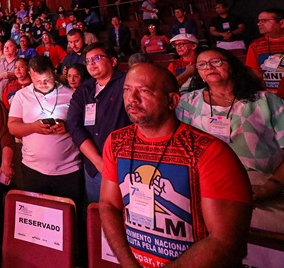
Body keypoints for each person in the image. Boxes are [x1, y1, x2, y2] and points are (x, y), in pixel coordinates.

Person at [100, 63, 252, 268]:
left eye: (144, 91)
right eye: (127, 90)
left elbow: (226, 242)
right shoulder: (116, 142)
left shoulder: (209, 152)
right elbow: (108, 205)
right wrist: (129, 264)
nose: (132, 99)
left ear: (172, 100)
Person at [177, 48, 284, 232]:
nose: (209, 67)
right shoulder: (188, 102)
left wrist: (270, 187)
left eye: (216, 62)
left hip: (260, 183)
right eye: (202, 65)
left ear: (232, 66)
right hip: (207, 187)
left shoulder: (265, 101)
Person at [8, 56, 83, 205]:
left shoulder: (71, 95)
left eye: (47, 80)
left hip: (68, 170)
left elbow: (84, 127)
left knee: (68, 216)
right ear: (30, 74)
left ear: (54, 73)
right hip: (33, 169)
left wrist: (67, 127)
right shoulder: (21, 96)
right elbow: (12, 127)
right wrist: (33, 127)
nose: (43, 84)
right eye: (38, 81)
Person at [67, 43, 130, 203]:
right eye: (87, 61)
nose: (91, 64)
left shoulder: (127, 84)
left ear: (113, 61)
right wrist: (98, 161)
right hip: (94, 169)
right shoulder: (84, 89)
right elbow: (74, 125)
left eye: (96, 58)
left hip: (124, 165)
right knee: (98, 215)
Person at [246, 8, 284, 94]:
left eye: (264, 20)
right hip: (272, 97)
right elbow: (255, 70)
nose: (259, 24)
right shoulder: (255, 45)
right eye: (259, 20)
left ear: (282, 23)